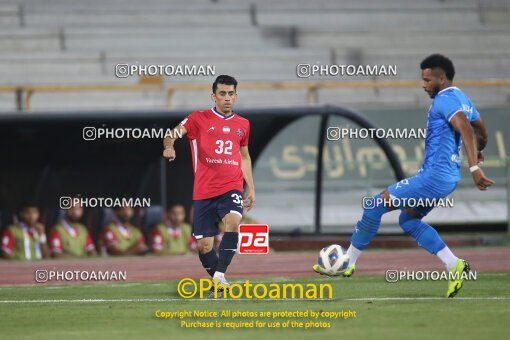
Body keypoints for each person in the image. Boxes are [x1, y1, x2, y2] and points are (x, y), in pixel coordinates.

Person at [313, 54, 494, 298]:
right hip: (447, 178)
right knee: (408, 221)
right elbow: (480, 129)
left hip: (434, 178)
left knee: (374, 206)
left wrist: (474, 167)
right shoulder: (462, 97)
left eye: (428, 80)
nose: (423, 84)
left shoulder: (445, 100)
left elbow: (465, 128)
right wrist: (480, 150)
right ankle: (454, 264)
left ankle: (348, 261)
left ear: (442, 78)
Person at [163, 75, 256, 291]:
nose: (227, 98)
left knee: (233, 221)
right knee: (204, 246)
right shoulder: (198, 118)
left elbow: (244, 157)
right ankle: (219, 280)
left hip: (231, 187)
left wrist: (250, 187)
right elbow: (173, 133)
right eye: (222, 94)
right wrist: (169, 146)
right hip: (204, 191)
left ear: (236, 96)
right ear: (213, 96)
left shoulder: (243, 124)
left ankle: (220, 274)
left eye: (231, 94)